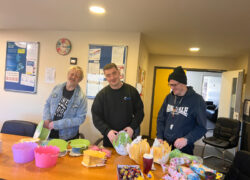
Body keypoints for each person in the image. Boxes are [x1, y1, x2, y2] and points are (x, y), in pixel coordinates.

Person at [91, 63, 144, 147]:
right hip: (110, 139)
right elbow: (96, 117)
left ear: (119, 73)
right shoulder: (101, 95)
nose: (112, 77)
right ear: (106, 77)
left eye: (114, 73)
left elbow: (140, 112)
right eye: (108, 75)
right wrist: (107, 131)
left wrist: (132, 127)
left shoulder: (131, 91)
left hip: (128, 137)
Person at [157, 66, 207, 155]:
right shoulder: (169, 98)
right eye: (170, 85)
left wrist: (187, 139)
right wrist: (160, 136)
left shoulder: (197, 100)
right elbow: (161, 118)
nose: (171, 87)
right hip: (165, 145)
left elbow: (201, 127)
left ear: (183, 83)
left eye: (174, 85)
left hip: (184, 147)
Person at [43, 66, 87, 140]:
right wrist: (47, 118)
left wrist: (57, 124)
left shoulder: (81, 97)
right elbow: (47, 104)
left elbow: (80, 119)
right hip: (50, 131)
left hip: (67, 135)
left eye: (77, 76)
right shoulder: (57, 88)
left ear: (80, 80)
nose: (73, 77)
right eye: (72, 74)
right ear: (68, 74)